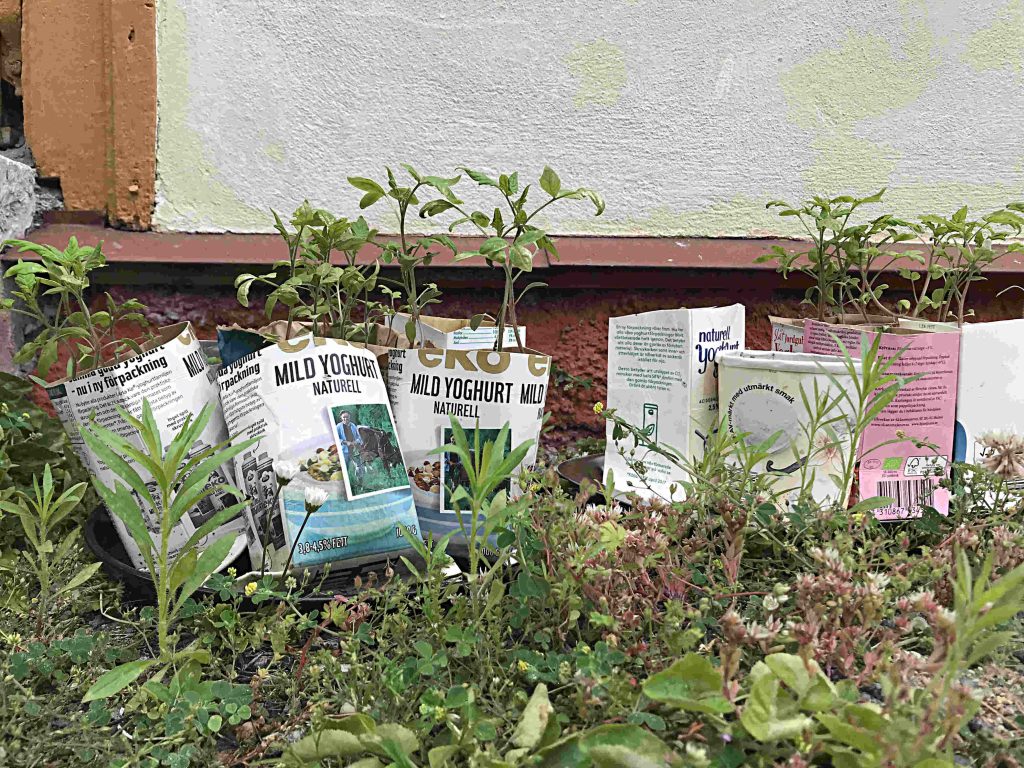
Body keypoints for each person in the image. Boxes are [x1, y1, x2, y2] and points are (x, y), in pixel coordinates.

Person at [336, 410, 365, 481]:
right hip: (344, 451)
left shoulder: (353, 426)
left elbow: (359, 437)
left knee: (359, 466)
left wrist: (356, 442)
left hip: (354, 450)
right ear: (341, 418)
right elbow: (336, 438)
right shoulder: (338, 426)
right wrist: (345, 442)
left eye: (347, 417)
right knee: (345, 468)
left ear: (350, 417)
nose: (346, 419)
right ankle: (346, 484)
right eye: (344, 417)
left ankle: (360, 482)